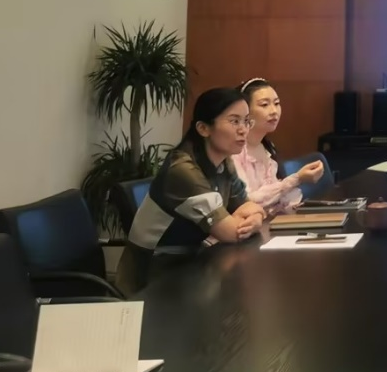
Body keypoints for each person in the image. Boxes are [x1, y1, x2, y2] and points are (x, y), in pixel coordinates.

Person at [117, 87, 268, 295]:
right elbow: (230, 232)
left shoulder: (224, 162)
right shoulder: (182, 170)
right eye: (234, 121)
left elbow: (247, 205)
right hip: (154, 276)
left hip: (192, 263)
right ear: (203, 128)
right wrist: (247, 218)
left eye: (246, 121)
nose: (243, 130)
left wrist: (257, 216)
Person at [233, 77, 324, 216]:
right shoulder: (235, 151)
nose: (274, 111)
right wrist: (297, 179)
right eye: (264, 105)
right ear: (244, 110)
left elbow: (278, 200)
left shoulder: (267, 147)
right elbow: (247, 202)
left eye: (276, 103)